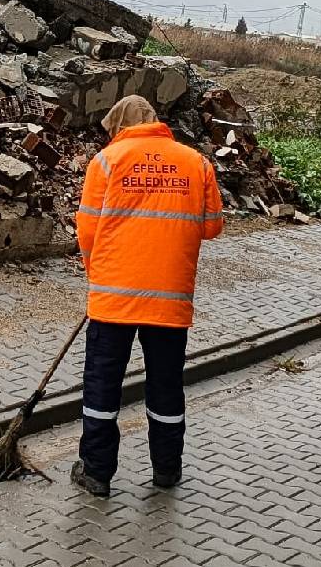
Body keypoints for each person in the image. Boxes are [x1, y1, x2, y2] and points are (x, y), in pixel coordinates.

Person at [71, 95, 224, 497]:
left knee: (103, 387)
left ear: (119, 125)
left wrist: (97, 274)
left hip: (113, 299)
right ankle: (166, 470)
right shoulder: (196, 163)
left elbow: (87, 230)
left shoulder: (106, 161)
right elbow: (212, 227)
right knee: (166, 387)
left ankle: (97, 473)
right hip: (169, 299)